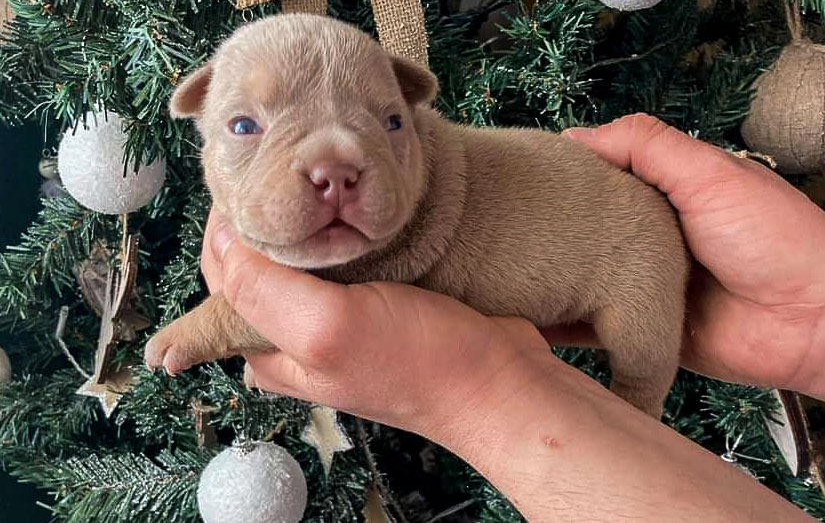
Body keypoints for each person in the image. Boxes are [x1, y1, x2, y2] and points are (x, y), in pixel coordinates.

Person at [201, 113, 825, 522]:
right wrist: (809, 315)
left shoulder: (635, 240)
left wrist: (482, 392)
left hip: (625, 248)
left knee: (641, 374)